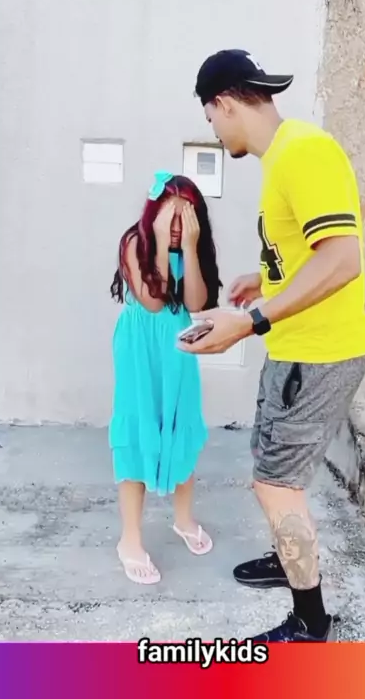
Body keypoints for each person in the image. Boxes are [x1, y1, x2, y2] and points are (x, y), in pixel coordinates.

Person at [179, 50, 365, 642]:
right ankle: (288, 558)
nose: (216, 133)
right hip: (293, 348)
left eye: (211, 120)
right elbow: (308, 254)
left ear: (224, 103)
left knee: (276, 483)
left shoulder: (304, 152)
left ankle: (311, 622)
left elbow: (342, 259)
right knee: (270, 464)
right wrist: (263, 279)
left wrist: (251, 320)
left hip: (319, 355)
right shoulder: (283, 157)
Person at [109, 171, 221, 585]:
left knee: (182, 424)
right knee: (137, 430)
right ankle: (130, 539)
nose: (176, 228)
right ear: (153, 214)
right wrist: (158, 241)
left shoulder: (192, 248)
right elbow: (154, 302)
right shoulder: (134, 243)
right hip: (139, 347)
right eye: (170, 218)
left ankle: (183, 519)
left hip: (176, 347)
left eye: (185, 219)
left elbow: (196, 302)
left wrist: (189, 248)